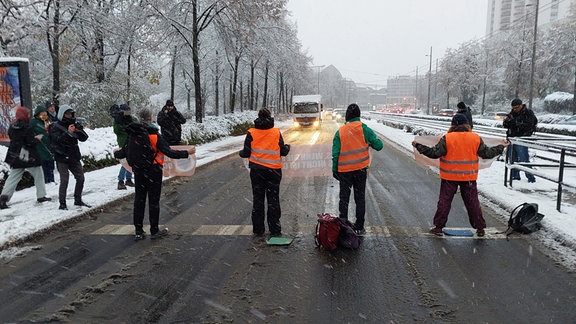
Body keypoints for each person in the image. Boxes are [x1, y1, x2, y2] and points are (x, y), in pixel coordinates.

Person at [412, 113, 509, 237]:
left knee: (444, 202)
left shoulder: (448, 138)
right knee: (472, 203)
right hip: (468, 177)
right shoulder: (475, 138)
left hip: (449, 177)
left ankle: (438, 227)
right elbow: (487, 153)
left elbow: (434, 153)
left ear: (453, 125)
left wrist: (419, 146)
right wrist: (501, 147)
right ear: (466, 125)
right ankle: (480, 228)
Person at [114, 108, 196, 241]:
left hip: (139, 172)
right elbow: (169, 152)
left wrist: (116, 154)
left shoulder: (133, 134)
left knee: (139, 201)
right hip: (154, 171)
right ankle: (154, 230)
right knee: (153, 201)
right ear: (150, 118)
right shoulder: (154, 135)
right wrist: (187, 153)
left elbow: (122, 153)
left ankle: (139, 231)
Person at [332, 103, 383, 235]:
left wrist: (335, 169)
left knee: (344, 199)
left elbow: (335, 153)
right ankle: (359, 226)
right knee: (359, 199)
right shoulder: (365, 130)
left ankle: (343, 225)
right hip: (360, 171)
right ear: (359, 115)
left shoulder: (341, 131)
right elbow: (379, 146)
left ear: (347, 116)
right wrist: (375, 141)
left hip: (344, 172)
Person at [239, 108, 290, 237]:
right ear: (270, 117)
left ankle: (258, 229)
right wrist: (288, 147)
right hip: (274, 171)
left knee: (258, 199)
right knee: (273, 200)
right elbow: (283, 151)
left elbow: (246, 153)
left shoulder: (251, 133)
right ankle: (275, 229)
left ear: (258, 118)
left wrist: (240, 153)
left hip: (257, 172)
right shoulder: (276, 133)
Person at [0, 106, 52, 209]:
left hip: (15, 155)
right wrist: (37, 138)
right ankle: (41, 196)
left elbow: (13, 138)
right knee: (38, 174)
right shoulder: (27, 127)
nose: (28, 116)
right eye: (27, 114)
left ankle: (3, 198)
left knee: (13, 178)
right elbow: (30, 142)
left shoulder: (12, 126)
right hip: (28, 156)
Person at [50, 105, 91, 210]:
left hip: (73, 156)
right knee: (64, 180)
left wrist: (79, 131)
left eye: (71, 114)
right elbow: (57, 140)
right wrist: (68, 133)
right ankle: (62, 203)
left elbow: (84, 138)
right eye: (67, 114)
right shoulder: (55, 126)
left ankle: (78, 199)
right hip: (62, 157)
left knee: (81, 178)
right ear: (62, 114)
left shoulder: (73, 124)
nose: (69, 116)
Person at [503, 98, 538, 183]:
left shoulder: (528, 113)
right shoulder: (512, 113)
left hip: (522, 138)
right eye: (513, 108)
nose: (515, 110)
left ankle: (530, 177)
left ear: (521, 105)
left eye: (516, 108)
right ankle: (515, 176)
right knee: (512, 158)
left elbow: (528, 126)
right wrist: (508, 122)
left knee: (524, 158)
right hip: (512, 138)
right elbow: (505, 124)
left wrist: (514, 122)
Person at [112, 104, 136, 190]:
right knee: (125, 162)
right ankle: (120, 180)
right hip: (123, 143)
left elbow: (136, 125)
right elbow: (116, 130)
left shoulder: (132, 118)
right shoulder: (117, 120)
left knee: (131, 162)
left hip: (132, 142)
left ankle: (128, 179)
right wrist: (120, 122)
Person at [30, 105, 55, 184]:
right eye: (42, 114)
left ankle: (51, 181)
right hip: (39, 147)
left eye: (45, 114)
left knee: (51, 165)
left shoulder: (48, 121)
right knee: (43, 166)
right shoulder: (33, 122)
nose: (44, 116)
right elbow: (28, 132)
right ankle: (45, 182)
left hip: (49, 147)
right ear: (37, 114)